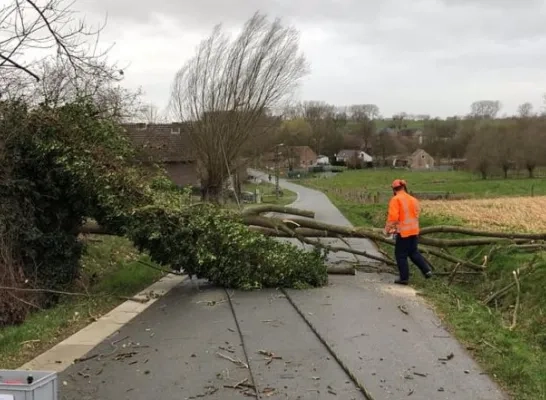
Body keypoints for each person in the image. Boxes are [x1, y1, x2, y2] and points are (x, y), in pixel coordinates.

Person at [383, 179, 433, 285]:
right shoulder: (413, 199)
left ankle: (404, 278)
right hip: (414, 230)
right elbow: (416, 214)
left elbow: (393, 217)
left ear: (394, 189)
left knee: (400, 255)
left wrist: (387, 230)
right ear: (404, 187)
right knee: (413, 252)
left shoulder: (395, 199)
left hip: (403, 232)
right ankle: (427, 270)